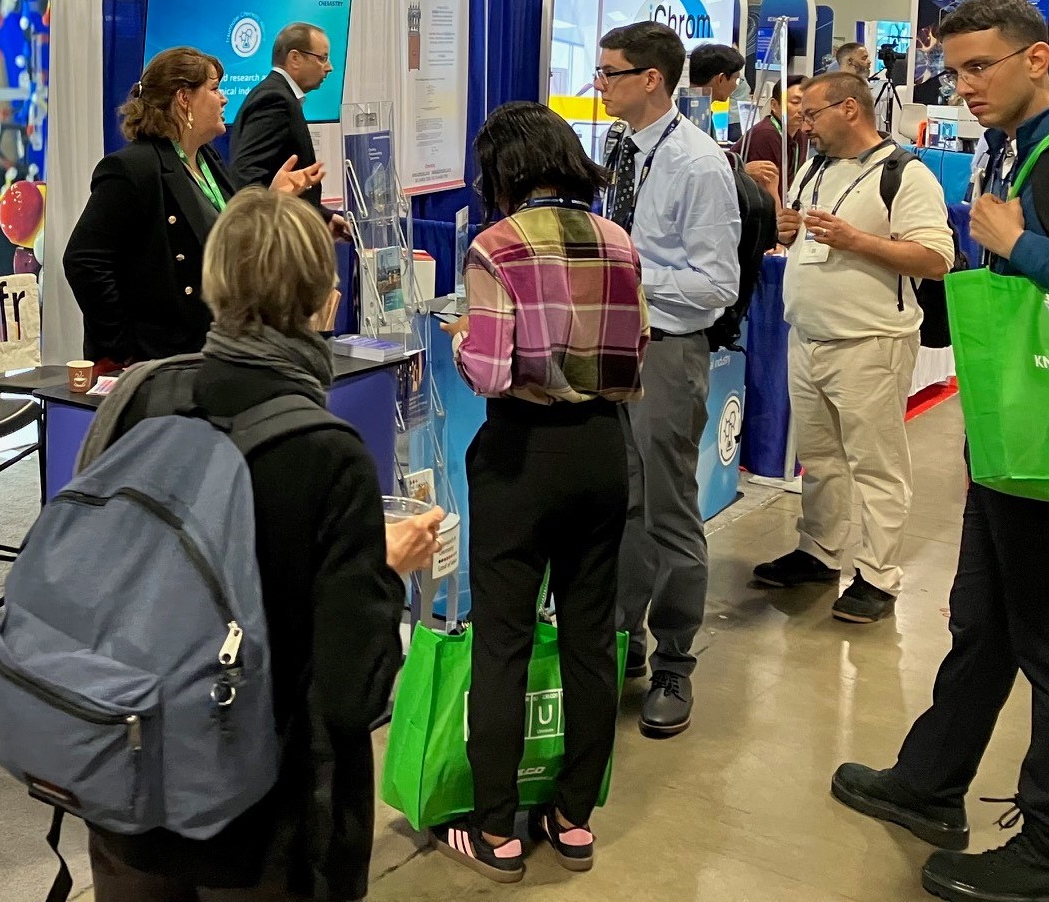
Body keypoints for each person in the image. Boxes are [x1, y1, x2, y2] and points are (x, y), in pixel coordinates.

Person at [831, 0, 1049, 902]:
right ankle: (931, 782)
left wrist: (1022, 244)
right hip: (1012, 434)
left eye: (982, 66)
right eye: (956, 70)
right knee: (981, 623)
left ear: (1037, 59)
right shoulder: (1011, 149)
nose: (966, 86)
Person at [84, 185, 416, 902]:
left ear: (213, 283)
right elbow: (353, 689)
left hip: (126, 789)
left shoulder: (134, 395)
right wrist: (382, 568)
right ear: (322, 300)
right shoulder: (329, 453)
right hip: (265, 829)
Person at [430, 103, 648, 884]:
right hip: (599, 449)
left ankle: (494, 830)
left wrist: (461, 339)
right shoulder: (616, 240)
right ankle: (572, 816)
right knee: (592, 638)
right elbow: (635, 351)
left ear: (505, 171)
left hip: (521, 455)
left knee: (503, 638)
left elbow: (489, 371)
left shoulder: (496, 246)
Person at [754, 71, 954, 623]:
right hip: (810, 336)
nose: (803, 123)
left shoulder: (904, 175)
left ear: (849, 109)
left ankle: (878, 576)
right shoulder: (815, 167)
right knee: (819, 459)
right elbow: (804, 241)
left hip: (871, 342)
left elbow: (937, 259)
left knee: (876, 465)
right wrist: (789, 227)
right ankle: (819, 552)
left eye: (812, 113)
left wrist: (856, 240)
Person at [597, 21, 741, 740]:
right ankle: (623, 640)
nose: (599, 85)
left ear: (649, 77)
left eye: (609, 72)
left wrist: (622, 277)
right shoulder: (617, 151)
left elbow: (716, 283)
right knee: (618, 501)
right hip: (611, 347)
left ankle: (675, 662)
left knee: (667, 509)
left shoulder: (697, 164)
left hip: (667, 349)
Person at [65, 47, 322, 372]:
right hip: (156, 364)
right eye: (214, 89)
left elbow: (230, 244)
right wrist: (125, 348)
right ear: (184, 98)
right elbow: (84, 261)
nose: (224, 99)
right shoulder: (133, 168)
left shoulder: (207, 160)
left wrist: (272, 198)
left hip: (208, 352)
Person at [233, 23, 333, 198]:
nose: (329, 67)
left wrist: (324, 217)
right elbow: (248, 178)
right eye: (322, 58)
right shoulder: (274, 100)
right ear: (295, 58)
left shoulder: (279, 94)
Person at [740, 74, 810, 197]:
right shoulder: (766, 134)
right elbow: (770, 191)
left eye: (806, 103)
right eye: (795, 102)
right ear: (774, 105)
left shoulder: (801, 133)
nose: (802, 109)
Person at [689, 43, 747, 144]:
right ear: (721, 78)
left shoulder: (687, 108)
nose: (736, 86)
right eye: (736, 79)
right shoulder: (697, 117)